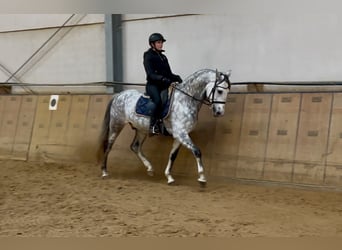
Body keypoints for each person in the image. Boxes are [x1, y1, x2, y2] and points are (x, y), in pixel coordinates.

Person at [143, 32, 182, 135]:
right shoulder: (148, 56)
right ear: (152, 44)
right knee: (158, 101)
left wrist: (176, 77)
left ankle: (166, 124)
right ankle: (153, 125)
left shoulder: (163, 57)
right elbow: (150, 74)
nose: (161, 44)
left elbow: (169, 73)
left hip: (164, 85)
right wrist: (162, 78)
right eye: (159, 42)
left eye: (161, 42)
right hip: (153, 85)